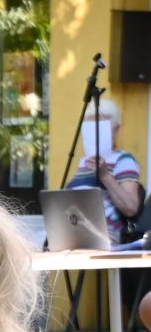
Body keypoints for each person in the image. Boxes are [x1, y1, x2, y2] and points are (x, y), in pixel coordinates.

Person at [66, 97, 144, 243]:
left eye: (102, 124)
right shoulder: (84, 161)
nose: (96, 129)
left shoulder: (124, 160)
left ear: (116, 129)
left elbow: (131, 208)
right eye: (91, 123)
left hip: (107, 233)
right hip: (77, 226)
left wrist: (105, 175)